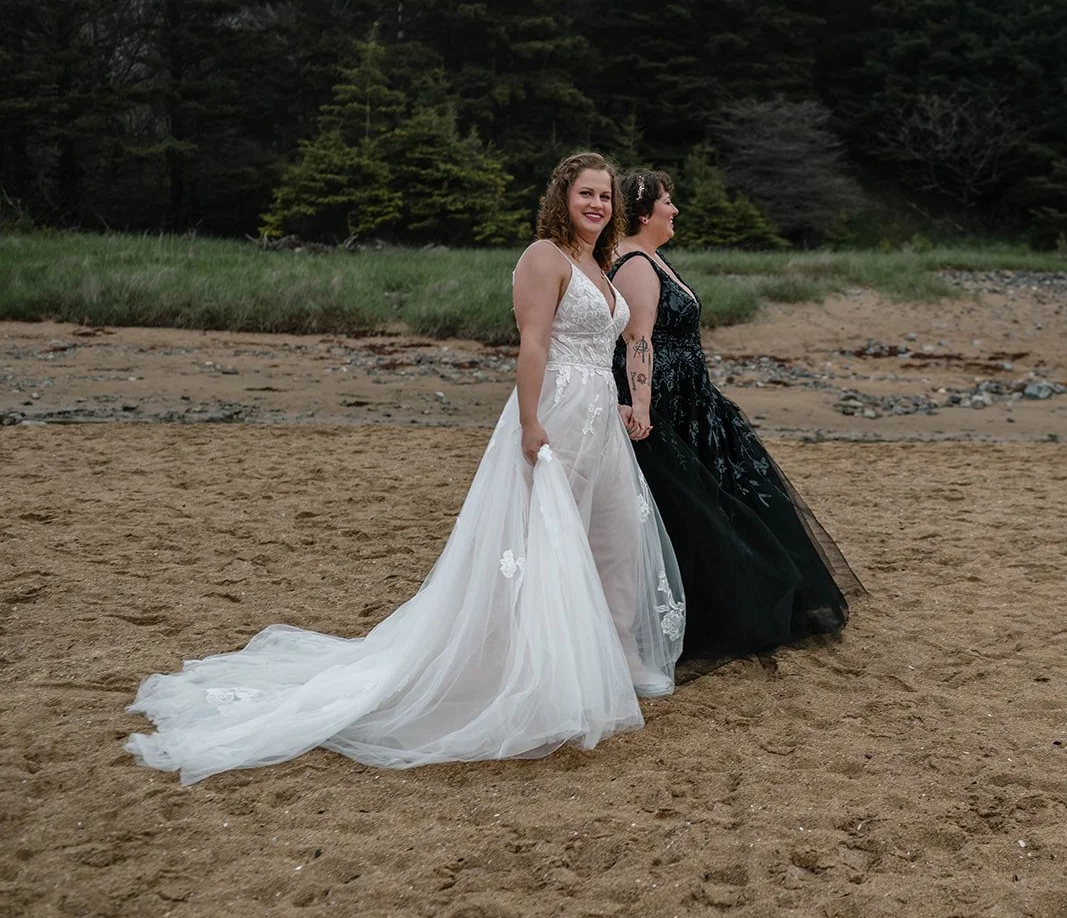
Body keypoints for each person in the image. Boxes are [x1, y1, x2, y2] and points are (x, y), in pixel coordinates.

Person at [125, 153, 684, 785]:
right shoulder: (543, 258)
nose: (597, 206)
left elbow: (605, 345)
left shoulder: (602, 266)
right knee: (542, 545)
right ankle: (528, 677)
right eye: (586, 194)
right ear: (563, 197)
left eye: (606, 197)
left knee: (609, 540)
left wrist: (619, 399)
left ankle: (603, 666)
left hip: (599, 425)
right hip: (553, 415)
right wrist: (530, 423)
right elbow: (532, 343)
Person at [609, 168, 860, 660]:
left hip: (691, 396)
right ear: (643, 212)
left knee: (724, 501)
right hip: (668, 404)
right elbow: (637, 340)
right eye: (667, 202)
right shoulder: (635, 263)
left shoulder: (651, 257)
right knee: (697, 509)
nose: (674, 210)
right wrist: (642, 406)